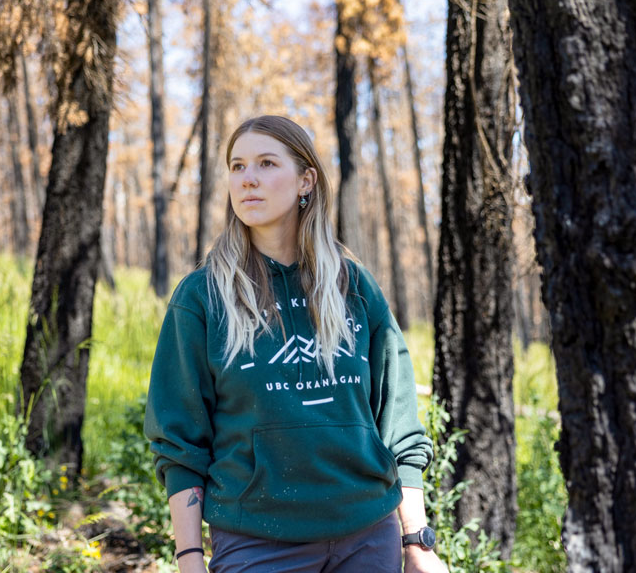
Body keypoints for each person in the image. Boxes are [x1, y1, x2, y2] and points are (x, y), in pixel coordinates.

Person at [144, 115, 447, 573]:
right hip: (258, 543)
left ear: (306, 180)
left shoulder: (354, 287)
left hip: (368, 536)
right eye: (237, 166)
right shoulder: (203, 298)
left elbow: (398, 422)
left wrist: (417, 542)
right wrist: (189, 558)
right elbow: (180, 441)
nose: (248, 179)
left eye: (266, 163)